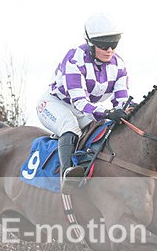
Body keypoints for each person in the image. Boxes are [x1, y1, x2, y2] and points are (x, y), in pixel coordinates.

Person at [37, 12, 131, 193]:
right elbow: (79, 102)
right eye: (104, 45)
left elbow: (121, 100)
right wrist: (106, 112)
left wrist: (123, 111)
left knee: (103, 128)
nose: (110, 49)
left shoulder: (119, 65)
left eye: (114, 43)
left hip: (85, 109)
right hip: (55, 104)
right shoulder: (74, 58)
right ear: (90, 43)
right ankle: (67, 175)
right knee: (70, 125)